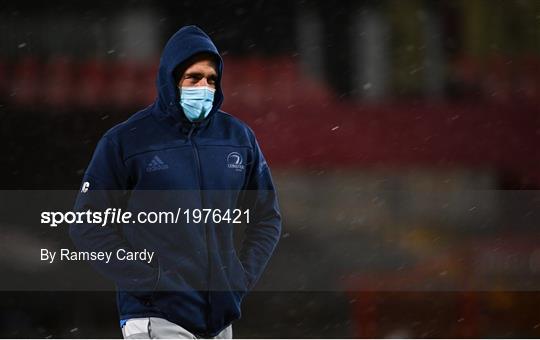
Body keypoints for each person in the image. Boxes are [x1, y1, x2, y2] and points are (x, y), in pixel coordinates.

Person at [69, 25, 282, 339]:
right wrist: (150, 280)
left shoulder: (238, 139)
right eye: (193, 78)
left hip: (220, 320)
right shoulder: (127, 141)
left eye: (211, 79)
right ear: (171, 78)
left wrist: (239, 277)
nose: (204, 87)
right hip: (156, 317)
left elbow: (267, 218)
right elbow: (86, 225)